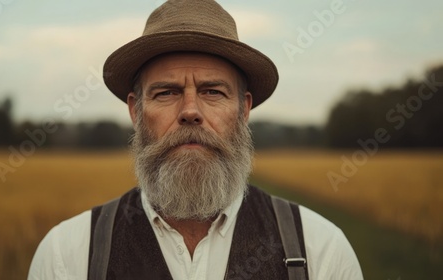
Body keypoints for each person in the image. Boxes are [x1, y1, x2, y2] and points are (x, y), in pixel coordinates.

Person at [28, 0, 363, 279]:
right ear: (136, 110)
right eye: (167, 92)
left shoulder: (320, 251)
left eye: (212, 91)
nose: (190, 111)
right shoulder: (67, 256)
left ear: (243, 109)